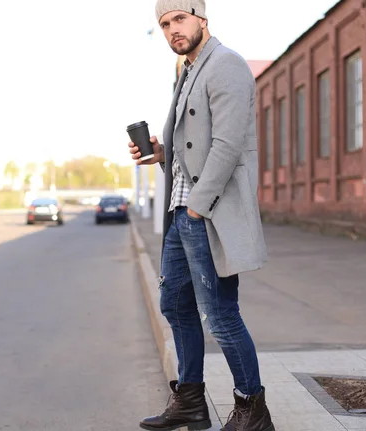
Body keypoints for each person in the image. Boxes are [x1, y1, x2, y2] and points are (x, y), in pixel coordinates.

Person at [128, 1, 275, 430]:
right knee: (174, 304)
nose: (173, 29)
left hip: (206, 213)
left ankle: (252, 408)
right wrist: (159, 153)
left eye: (179, 19)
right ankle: (190, 400)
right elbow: (191, 151)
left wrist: (197, 206)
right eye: (165, 24)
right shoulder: (188, 71)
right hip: (181, 210)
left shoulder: (225, 64)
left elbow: (228, 145)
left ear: (201, 19)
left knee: (220, 313)